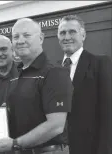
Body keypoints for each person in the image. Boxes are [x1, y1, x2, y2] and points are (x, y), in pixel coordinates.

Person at [0, 18, 73, 154]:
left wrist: (15, 144)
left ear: (40, 38)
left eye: (26, 35)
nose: (20, 40)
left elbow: (55, 125)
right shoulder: (15, 74)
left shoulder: (55, 73)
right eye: (16, 37)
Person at [57, 15, 112, 154]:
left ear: (83, 35)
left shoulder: (100, 63)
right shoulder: (53, 69)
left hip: (89, 148)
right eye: (62, 33)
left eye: (72, 32)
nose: (67, 37)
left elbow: (108, 113)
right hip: (57, 149)